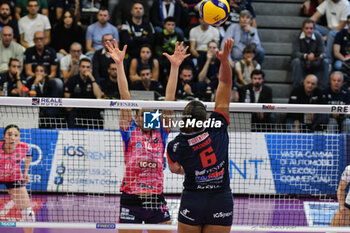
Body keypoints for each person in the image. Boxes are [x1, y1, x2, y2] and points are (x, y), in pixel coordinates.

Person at [105, 38, 189, 231]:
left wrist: (175, 67)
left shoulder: (161, 132)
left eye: (151, 115)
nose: (147, 118)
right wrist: (119, 65)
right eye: (142, 114)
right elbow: (124, 96)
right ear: (136, 116)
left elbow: (170, 99)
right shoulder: (130, 131)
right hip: (131, 199)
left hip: (156, 199)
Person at [166, 38, 234, 233]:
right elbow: (225, 84)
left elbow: (175, 169)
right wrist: (224, 61)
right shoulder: (217, 127)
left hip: (193, 199)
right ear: (204, 120)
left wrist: (192, 170)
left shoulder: (176, 145)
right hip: (220, 199)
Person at [0, 124, 35, 233]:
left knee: (29, 214)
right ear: (4, 137)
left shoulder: (24, 147)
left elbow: (29, 154)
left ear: (19, 138)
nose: (12, 137)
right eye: (9, 134)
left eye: (16, 135)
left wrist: (26, 172)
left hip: (14, 177)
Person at [64, 58, 103, 128]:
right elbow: (67, 104)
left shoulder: (94, 80)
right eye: (83, 67)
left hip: (91, 110)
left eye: (88, 67)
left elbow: (98, 96)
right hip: (76, 110)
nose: (85, 69)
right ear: (79, 68)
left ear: (91, 69)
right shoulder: (72, 80)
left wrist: (92, 78)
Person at [291, 18, 329, 89]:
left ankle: (323, 88)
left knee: (325, 61)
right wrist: (306, 56)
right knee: (296, 61)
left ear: (314, 29)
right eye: (307, 28)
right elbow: (295, 53)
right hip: (302, 62)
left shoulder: (318, 36)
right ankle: (296, 88)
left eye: (311, 28)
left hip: (315, 62)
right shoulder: (297, 36)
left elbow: (324, 52)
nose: (309, 30)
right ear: (303, 29)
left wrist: (320, 56)